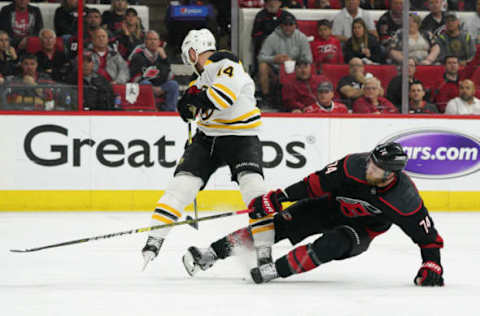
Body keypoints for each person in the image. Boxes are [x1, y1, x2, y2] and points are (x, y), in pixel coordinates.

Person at [182, 142, 445, 287]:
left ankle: (276, 270)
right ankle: (211, 253)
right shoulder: (353, 164)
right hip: (328, 207)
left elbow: (428, 238)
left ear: (391, 175)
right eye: (371, 163)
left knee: (332, 244)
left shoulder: (404, 198)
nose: (369, 169)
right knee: (277, 226)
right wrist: (278, 198)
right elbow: (314, 184)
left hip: (362, 230)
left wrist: (431, 264)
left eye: (376, 169)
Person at [141, 29, 273, 271]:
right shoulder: (200, 80)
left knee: (254, 189)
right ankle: (155, 239)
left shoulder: (225, 60)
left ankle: (264, 251)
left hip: (241, 137)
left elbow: (223, 98)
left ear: (192, 51)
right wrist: (188, 104)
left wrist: (195, 100)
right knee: (181, 186)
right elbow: (193, 105)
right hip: (207, 138)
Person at [257, 13, 312, 108]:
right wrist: (274, 59)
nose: (288, 27)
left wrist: (294, 62)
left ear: (295, 25)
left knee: (307, 66)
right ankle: (266, 97)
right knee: (262, 66)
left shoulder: (301, 37)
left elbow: (308, 59)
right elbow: (261, 57)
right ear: (280, 25)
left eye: (291, 24)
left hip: (296, 68)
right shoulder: (272, 38)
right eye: (285, 24)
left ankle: (306, 97)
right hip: (276, 69)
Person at [129, 30, 179, 111]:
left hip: (160, 86)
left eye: (155, 39)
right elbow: (134, 77)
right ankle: (150, 110)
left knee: (173, 84)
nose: (153, 42)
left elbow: (168, 74)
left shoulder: (162, 56)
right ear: (145, 42)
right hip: (144, 86)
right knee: (145, 84)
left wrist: (164, 58)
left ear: (159, 42)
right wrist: (152, 88)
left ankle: (170, 111)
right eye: (150, 39)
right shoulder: (138, 56)